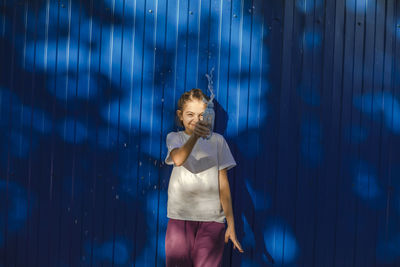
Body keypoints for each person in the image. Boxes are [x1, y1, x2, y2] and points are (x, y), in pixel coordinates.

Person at [164, 88, 243, 267]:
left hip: (212, 221)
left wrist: (231, 224)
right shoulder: (174, 138)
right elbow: (178, 159)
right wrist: (195, 138)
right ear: (180, 115)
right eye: (190, 114)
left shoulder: (218, 141)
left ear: (209, 116)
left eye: (201, 115)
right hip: (180, 218)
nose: (196, 120)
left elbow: (223, 184)